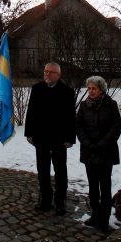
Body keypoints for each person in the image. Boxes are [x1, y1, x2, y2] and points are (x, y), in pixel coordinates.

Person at [25, 62, 76, 215]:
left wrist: (70, 138)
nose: (47, 74)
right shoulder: (37, 89)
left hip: (60, 139)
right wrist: (29, 133)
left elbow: (70, 117)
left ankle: (60, 200)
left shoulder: (67, 91)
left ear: (58, 75)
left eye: (51, 72)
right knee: (42, 169)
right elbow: (31, 112)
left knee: (60, 169)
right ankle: (45, 198)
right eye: (45, 71)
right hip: (41, 137)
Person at [76, 76, 121, 232]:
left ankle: (104, 218)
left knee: (105, 186)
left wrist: (101, 144)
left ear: (101, 89)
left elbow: (116, 128)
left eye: (94, 88)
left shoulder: (111, 104)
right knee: (93, 187)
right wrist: (88, 143)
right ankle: (95, 215)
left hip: (105, 152)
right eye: (89, 88)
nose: (91, 91)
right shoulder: (83, 106)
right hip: (89, 152)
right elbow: (79, 127)